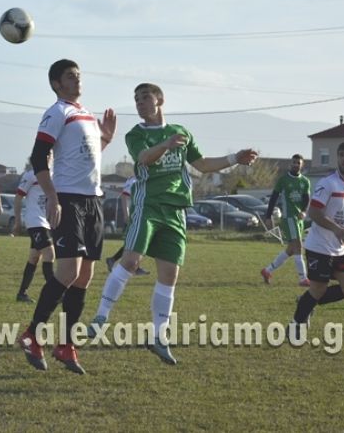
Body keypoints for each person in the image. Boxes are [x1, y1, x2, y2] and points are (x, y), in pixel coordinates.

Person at [87, 83, 257, 365]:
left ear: (160, 100)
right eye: (136, 100)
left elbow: (201, 164)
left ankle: (159, 337)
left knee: (169, 275)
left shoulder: (181, 132)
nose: (140, 103)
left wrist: (234, 159)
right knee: (130, 261)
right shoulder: (137, 134)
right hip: (148, 205)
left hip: (176, 210)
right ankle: (101, 316)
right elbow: (144, 158)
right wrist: (164, 145)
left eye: (145, 98)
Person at [18, 59, 116, 375]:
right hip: (69, 200)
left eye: (79, 75)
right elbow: (38, 157)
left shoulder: (85, 113)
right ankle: (32, 334)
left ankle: (65, 344)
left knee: (85, 277)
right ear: (57, 84)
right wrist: (52, 196)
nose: (77, 80)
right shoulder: (57, 111)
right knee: (68, 272)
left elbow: (86, 156)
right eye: (70, 76)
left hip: (93, 201)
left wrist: (106, 141)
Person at [289, 141, 344, 340]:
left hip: (338, 249)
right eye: (341, 155)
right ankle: (296, 324)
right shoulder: (328, 182)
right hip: (318, 246)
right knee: (318, 289)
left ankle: (307, 301)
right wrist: (337, 229)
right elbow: (313, 212)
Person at [260, 154, 311, 287]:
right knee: (299, 246)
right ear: (290, 164)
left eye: (298, 163)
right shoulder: (283, 180)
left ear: (302, 165)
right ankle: (303, 278)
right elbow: (273, 198)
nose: (295, 165)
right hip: (288, 218)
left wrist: (304, 211)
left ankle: (267, 270)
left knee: (291, 249)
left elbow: (307, 199)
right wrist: (268, 217)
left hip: (298, 219)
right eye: (294, 162)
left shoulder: (305, 181)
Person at [13, 165, 55, 303]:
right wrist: (18, 221)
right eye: (46, 153)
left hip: (45, 222)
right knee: (49, 254)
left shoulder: (56, 174)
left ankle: (21, 294)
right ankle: (55, 293)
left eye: (51, 153)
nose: (49, 155)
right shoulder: (31, 175)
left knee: (34, 257)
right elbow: (18, 197)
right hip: (35, 221)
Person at [105, 176, 149, 276]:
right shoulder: (134, 180)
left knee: (137, 243)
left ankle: (115, 260)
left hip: (144, 216)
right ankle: (124, 264)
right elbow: (124, 196)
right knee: (135, 243)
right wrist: (126, 215)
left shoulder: (146, 178)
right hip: (136, 217)